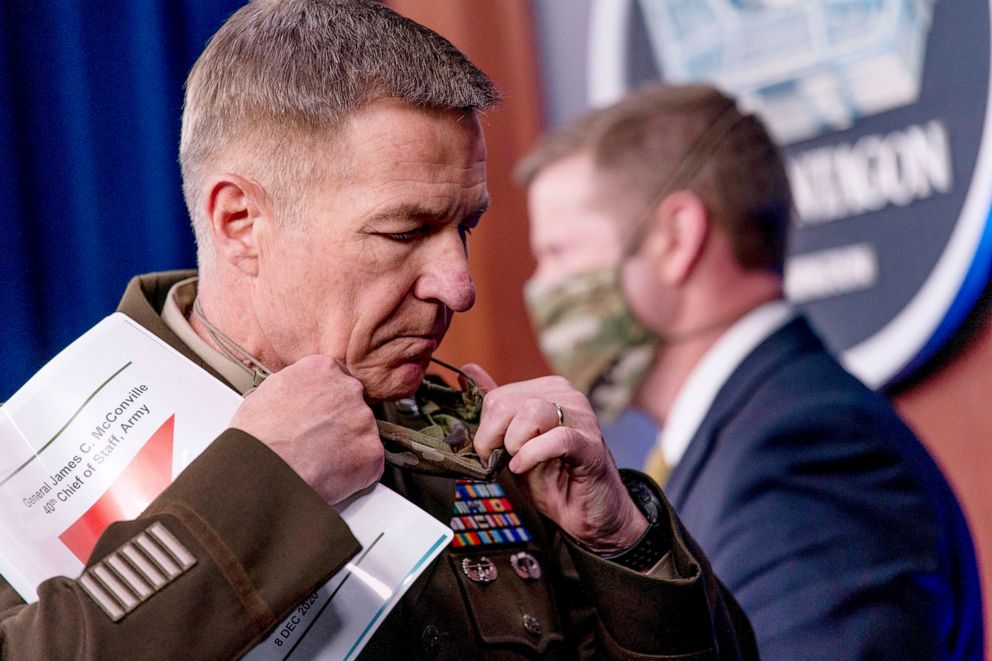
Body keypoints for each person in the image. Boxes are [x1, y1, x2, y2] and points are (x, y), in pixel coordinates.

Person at [0, 3, 758, 659]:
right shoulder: (34, 461)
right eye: (404, 231)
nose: (458, 286)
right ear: (240, 222)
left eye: (464, 226)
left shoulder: (475, 439)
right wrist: (262, 484)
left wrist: (623, 541)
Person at [516, 83, 984, 659]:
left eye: (560, 253)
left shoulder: (807, 453)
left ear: (676, 239)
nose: (540, 288)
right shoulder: (746, 440)